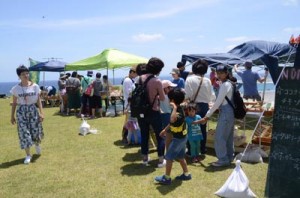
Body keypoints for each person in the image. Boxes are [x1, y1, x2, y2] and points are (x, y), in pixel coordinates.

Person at [155, 88, 190, 185]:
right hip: (182, 137)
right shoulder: (180, 108)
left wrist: (174, 108)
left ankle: (166, 178)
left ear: (172, 101)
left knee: (169, 157)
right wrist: (165, 130)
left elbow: (172, 120)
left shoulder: (177, 112)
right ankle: (186, 174)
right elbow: (171, 124)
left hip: (178, 139)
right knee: (181, 156)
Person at [10, 65, 44, 164]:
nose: (26, 75)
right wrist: (12, 116)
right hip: (21, 111)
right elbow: (14, 103)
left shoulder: (35, 86)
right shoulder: (16, 88)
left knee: (35, 130)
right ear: (19, 76)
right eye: (23, 74)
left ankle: (37, 144)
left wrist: (41, 113)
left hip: (33, 110)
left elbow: (38, 101)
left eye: (27, 73)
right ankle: (28, 155)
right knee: (24, 132)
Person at [202, 65, 235, 167]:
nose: (219, 75)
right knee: (228, 137)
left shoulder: (225, 85)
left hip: (226, 112)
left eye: (221, 73)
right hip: (230, 112)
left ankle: (223, 159)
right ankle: (229, 157)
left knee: (219, 137)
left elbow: (217, 103)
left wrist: (207, 115)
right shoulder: (230, 83)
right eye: (218, 73)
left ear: (226, 73)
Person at [137, 57, 166, 167]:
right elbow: (162, 98)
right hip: (154, 111)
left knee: (144, 135)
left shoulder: (139, 79)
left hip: (141, 111)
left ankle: (145, 159)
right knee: (160, 135)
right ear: (158, 70)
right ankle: (160, 160)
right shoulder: (157, 81)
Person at [184, 59, 213, 155]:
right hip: (205, 106)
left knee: (191, 128)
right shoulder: (207, 80)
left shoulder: (189, 79)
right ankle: (202, 149)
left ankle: (191, 150)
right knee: (202, 128)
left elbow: (187, 95)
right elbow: (210, 96)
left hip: (193, 106)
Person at [160, 80, 177, 150]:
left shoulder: (160, 96)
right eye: (170, 87)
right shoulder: (168, 97)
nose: (172, 89)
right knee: (170, 135)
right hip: (168, 115)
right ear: (166, 88)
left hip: (162, 115)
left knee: (166, 134)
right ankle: (170, 150)